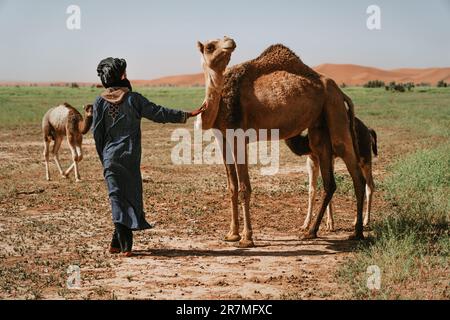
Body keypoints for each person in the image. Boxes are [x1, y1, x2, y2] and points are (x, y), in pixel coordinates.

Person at [93, 58, 206, 257]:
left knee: (116, 197)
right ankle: (125, 245)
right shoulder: (134, 99)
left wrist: (104, 158)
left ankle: (116, 243)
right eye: (125, 73)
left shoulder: (99, 102)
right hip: (130, 157)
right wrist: (186, 114)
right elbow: (158, 113)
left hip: (110, 157)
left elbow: (97, 135)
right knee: (129, 196)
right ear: (121, 76)